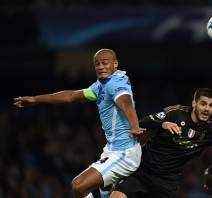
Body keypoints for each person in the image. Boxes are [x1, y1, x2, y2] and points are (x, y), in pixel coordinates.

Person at [14, 49, 144, 198]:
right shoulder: (99, 86)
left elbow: (125, 102)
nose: (100, 66)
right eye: (97, 64)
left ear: (115, 64)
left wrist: (134, 126)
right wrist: (36, 99)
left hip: (124, 153)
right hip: (112, 150)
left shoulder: (115, 84)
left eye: (105, 62)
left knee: (79, 186)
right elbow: (71, 96)